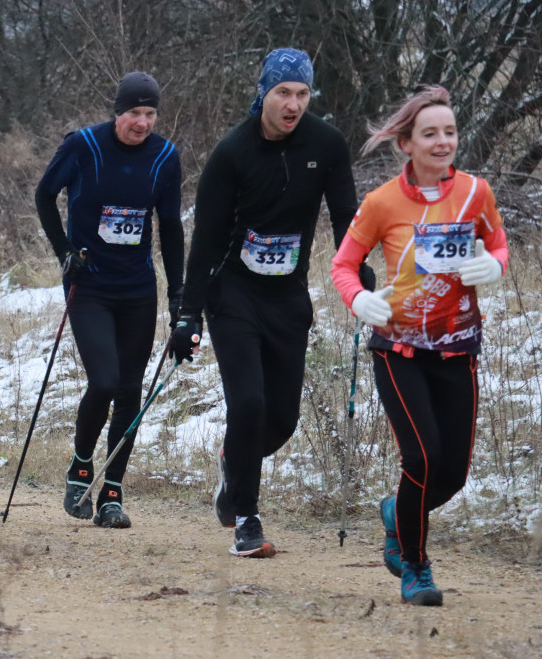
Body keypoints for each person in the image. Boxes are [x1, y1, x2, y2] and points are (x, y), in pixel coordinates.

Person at [171, 48, 366, 557]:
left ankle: (233, 463)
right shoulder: (232, 152)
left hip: (287, 296)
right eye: (283, 92)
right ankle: (247, 521)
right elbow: (208, 240)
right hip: (233, 292)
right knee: (249, 404)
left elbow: (347, 216)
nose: (293, 104)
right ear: (263, 92)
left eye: (302, 94)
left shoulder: (326, 144)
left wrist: (361, 269)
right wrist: (188, 313)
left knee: (281, 419)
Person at [330, 85, 508, 606]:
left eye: (449, 132)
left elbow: (497, 242)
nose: (442, 142)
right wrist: (360, 300)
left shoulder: (477, 192)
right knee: (423, 459)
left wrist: (495, 264)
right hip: (398, 349)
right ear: (406, 143)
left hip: (458, 349)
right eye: (430, 134)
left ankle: (395, 512)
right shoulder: (381, 202)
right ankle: (416, 567)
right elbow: (343, 265)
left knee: (452, 475)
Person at [35, 71, 184, 528]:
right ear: (117, 112)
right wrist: (64, 253)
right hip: (91, 285)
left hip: (138, 288)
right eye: (134, 113)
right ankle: (81, 466)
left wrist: (179, 298)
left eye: (150, 113)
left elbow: (172, 228)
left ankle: (112, 492)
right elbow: (44, 195)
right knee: (104, 381)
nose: (142, 122)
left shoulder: (165, 157)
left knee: (131, 391)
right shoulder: (84, 146)